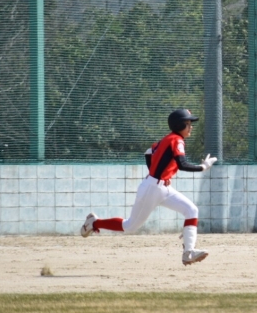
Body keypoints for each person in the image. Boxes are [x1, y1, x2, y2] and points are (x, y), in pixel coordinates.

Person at [79, 108, 218, 266]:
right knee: (130, 226)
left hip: (160, 186)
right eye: (187, 123)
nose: (191, 126)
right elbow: (182, 164)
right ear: (179, 125)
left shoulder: (168, 139)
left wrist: (159, 173)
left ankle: (188, 252)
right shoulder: (176, 139)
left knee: (191, 210)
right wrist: (203, 167)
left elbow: (148, 152)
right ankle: (94, 223)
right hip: (153, 188)